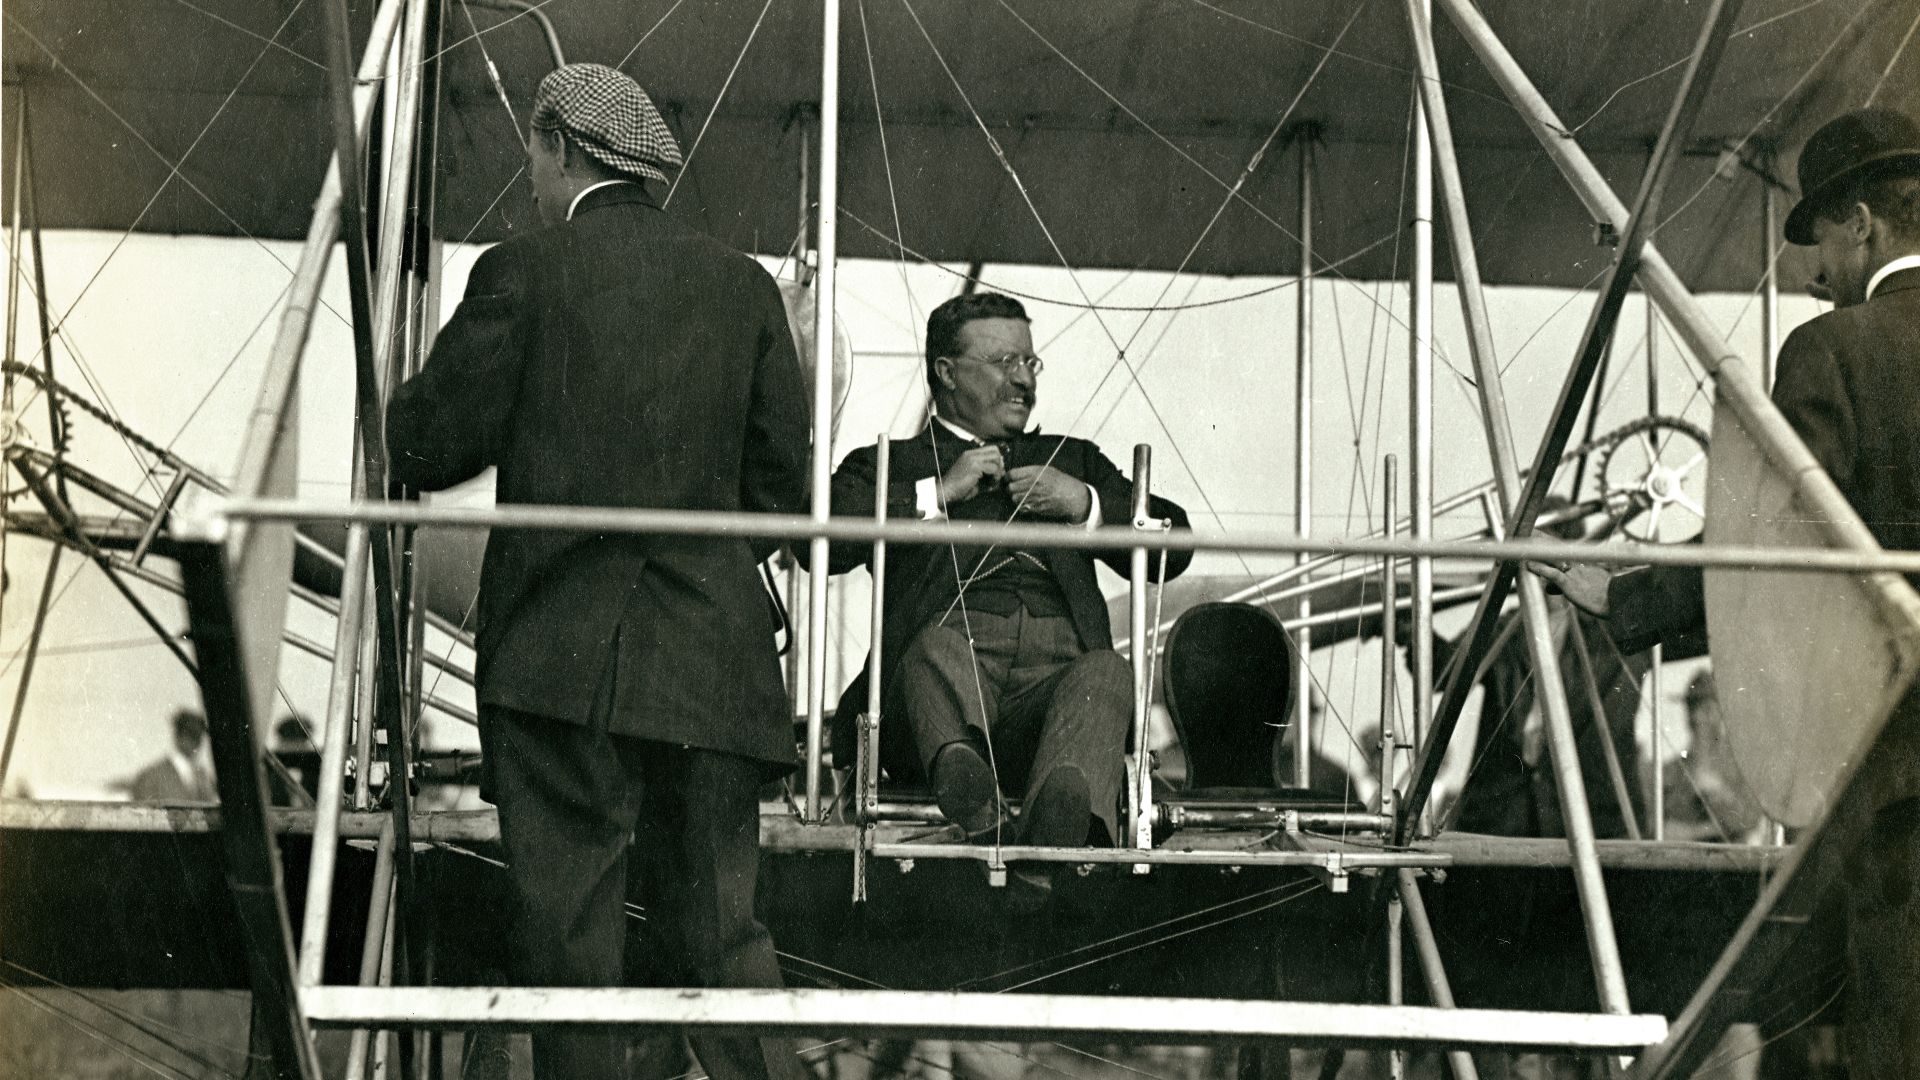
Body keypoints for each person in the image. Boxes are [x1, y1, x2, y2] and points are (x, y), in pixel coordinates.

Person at [385, 63, 810, 1080]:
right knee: (723, 946)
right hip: (712, 658)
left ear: (561, 148)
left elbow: (430, 445)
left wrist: (394, 405)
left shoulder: (523, 270)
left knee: (571, 953)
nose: (529, 181)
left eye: (532, 157)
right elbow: (781, 495)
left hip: (557, 662)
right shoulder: (743, 286)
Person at [1533, 107, 1920, 1079]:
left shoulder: (1835, 351)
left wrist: (1620, 599)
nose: (1814, 271)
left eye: (1823, 241)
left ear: (1864, 223)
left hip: (1898, 767)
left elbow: (1772, 557)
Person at [820, 292, 1191, 906]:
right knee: (933, 650)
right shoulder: (895, 462)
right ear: (945, 371)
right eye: (1003, 361)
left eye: (1030, 363)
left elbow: (1175, 546)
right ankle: (972, 789)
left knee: (1106, 672)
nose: (1022, 379)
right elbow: (818, 543)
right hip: (942, 688)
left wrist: (1087, 507)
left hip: (1052, 695)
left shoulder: (1072, 460)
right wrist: (935, 493)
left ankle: (1051, 827)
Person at [126, 709, 217, 803]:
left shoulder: (203, 777)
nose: (196, 743)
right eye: (190, 734)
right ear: (177, 736)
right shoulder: (150, 776)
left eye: (199, 736)